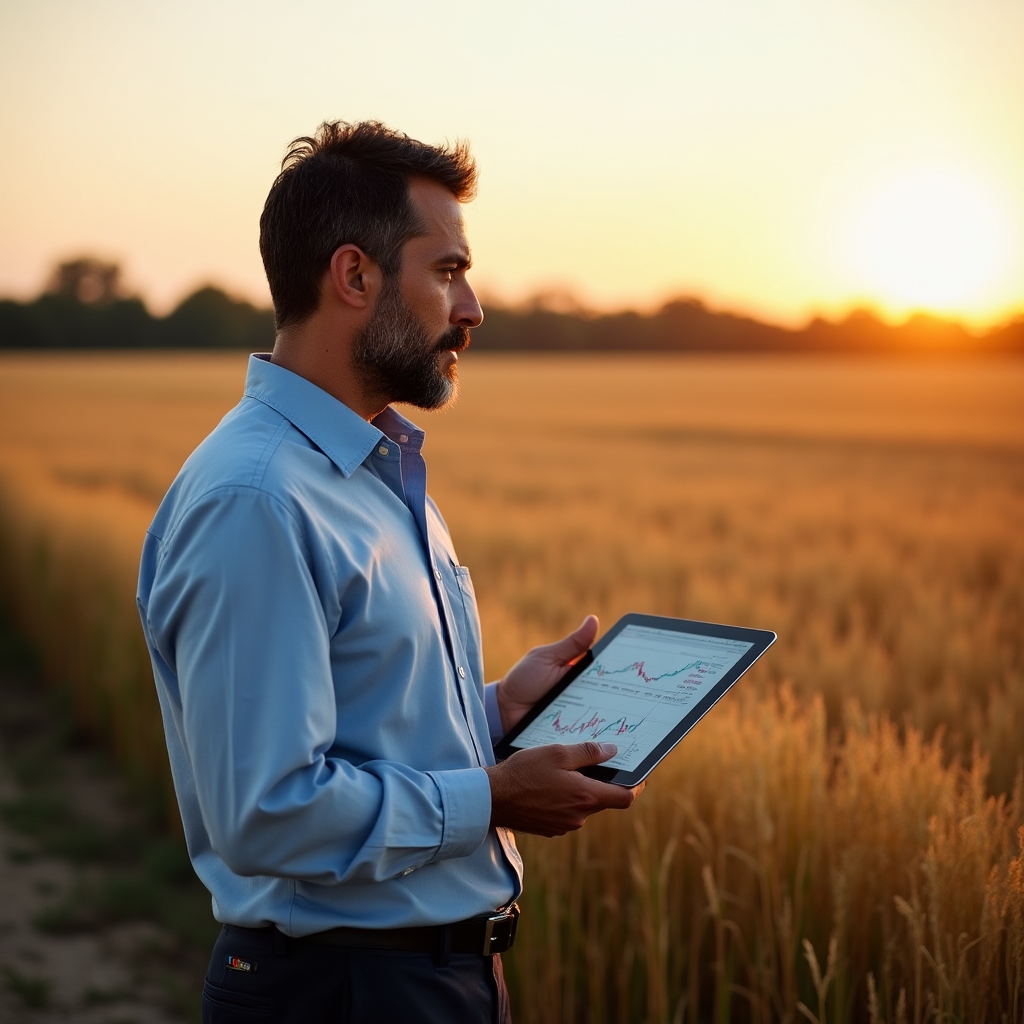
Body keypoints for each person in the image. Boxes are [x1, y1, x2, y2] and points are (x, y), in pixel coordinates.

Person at [137, 120, 642, 1024]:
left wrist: (494, 714)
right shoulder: (261, 499)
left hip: (418, 981)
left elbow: (357, 726)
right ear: (355, 276)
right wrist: (491, 793)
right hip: (340, 992)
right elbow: (269, 810)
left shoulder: (373, 472)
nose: (473, 305)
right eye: (447, 270)